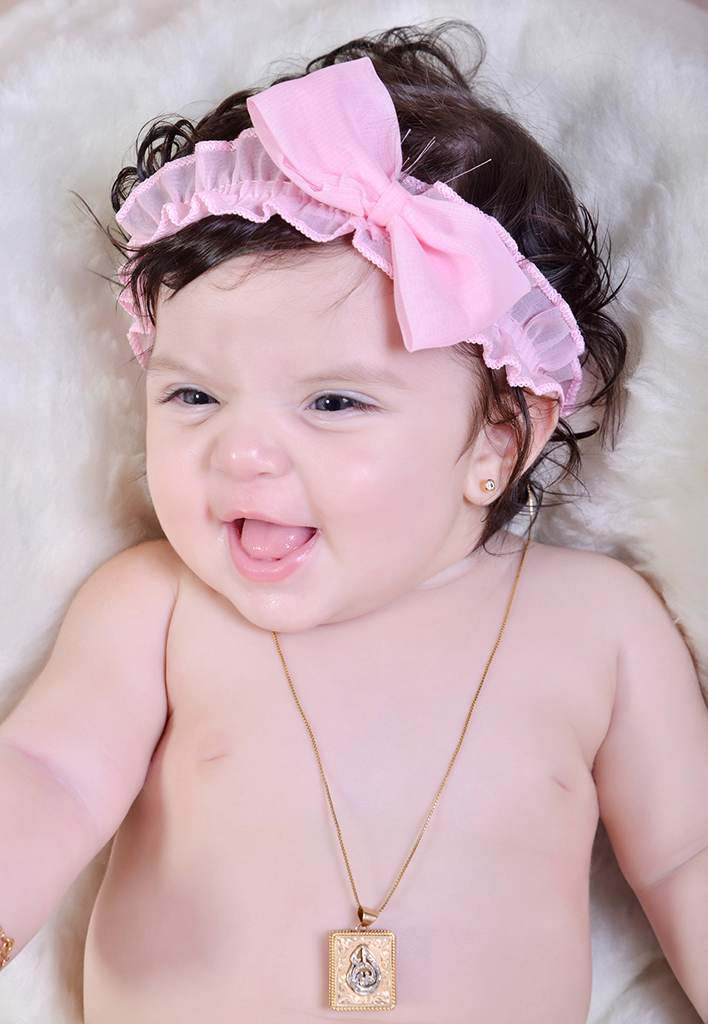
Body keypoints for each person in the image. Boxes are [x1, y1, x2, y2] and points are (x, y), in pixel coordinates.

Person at [1, 22, 707, 1024]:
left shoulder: (601, 624)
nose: (240, 452)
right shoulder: (158, 607)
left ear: (496, 443)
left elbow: (687, 853)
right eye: (194, 396)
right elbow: (48, 772)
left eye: (333, 404)